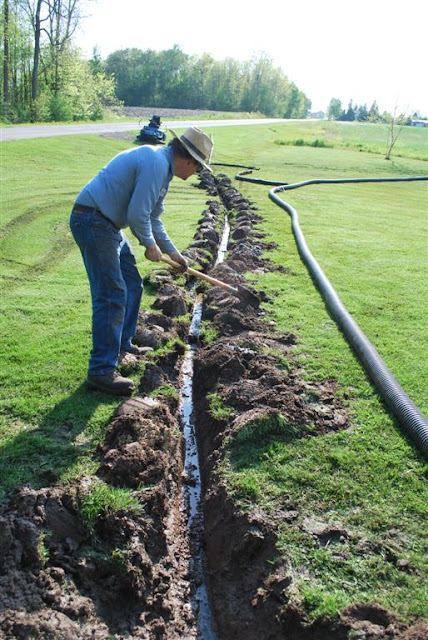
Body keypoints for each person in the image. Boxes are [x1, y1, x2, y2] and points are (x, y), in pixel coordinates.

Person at [70, 126, 213, 396]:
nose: (196, 173)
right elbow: (138, 215)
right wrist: (149, 245)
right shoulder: (155, 164)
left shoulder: (163, 170)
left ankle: (122, 346)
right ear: (188, 160)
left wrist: (174, 253)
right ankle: (101, 370)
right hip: (93, 221)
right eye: (198, 167)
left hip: (108, 225)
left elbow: (153, 218)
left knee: (132, 284)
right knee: (111, 294)